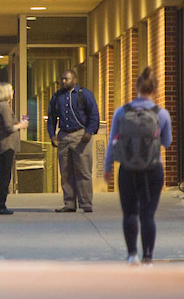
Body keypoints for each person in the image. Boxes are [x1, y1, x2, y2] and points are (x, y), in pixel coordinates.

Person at [104, 66, 172, 266]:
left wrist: (108, 167)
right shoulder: (162, 114)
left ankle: (132, 254)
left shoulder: (121, 112)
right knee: (148, 214)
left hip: (127, 169)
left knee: (130, 213)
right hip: (153, 169)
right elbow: (167, 143)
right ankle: (148, 258)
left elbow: (112, 141)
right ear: (155, 90)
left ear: (136, 87)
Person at [46, 69, 100, 213]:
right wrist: (52, 135)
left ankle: (86, 203)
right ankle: (69, 203)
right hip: (64, 136)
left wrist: (89, 132)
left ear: (74, 80)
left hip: (80, 135)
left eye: (67, 79)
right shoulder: (57, 97)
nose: (64, 82)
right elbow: (51, 118)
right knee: (66, 171)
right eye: (62, 79)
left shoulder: (84, 94)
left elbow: (94, 115)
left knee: (83, 170)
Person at [0, 82, 28, 215]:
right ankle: (1, 205)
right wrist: (20, 125)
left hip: (0, 144)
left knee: (2, 174)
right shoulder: (4, 107)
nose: (13, 93)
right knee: (5, 175)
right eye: (11, 90)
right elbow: (8, 127)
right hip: (7, 144)